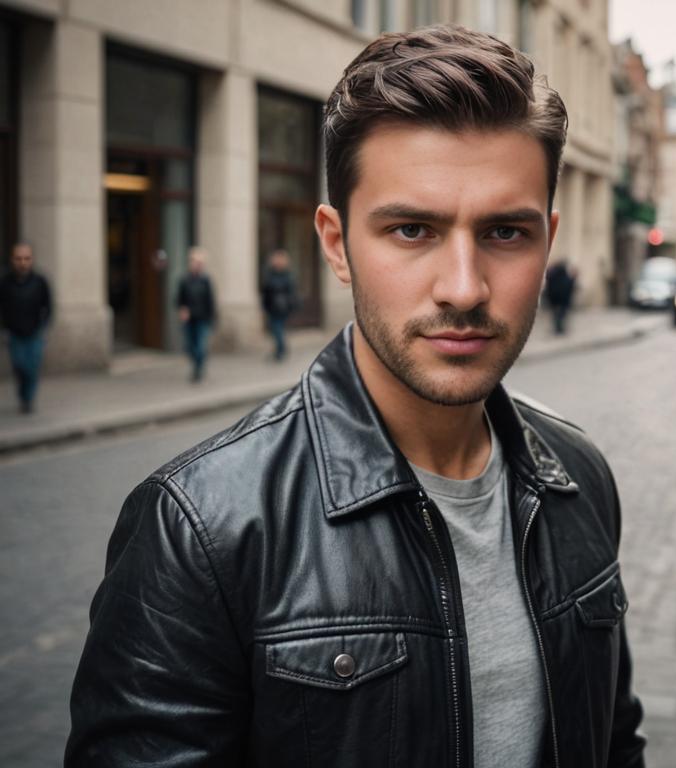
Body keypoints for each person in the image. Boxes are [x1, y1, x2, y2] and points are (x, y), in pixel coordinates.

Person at [67, 25, 645, 768]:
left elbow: (613, 743)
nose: (464, 288)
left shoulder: (580, 479)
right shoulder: (202, 530)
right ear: (337, 244)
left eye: (505, 232)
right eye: (412, 229)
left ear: (548, 240)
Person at [0, 242, 52, 413]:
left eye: (26, 258)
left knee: (32, 368)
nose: (22, 262)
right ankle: (24, 395)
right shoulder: (5, 282)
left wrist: (44, 327)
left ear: (31, 260)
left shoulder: (40, 282)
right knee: (20, 366)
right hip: (14, 334)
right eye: (18, 258)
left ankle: (27, 399)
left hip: (35, 332)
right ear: (12, 259)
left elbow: (48, 306)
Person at [176, 247, 216, 381]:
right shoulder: (184, 280)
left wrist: (212, 318)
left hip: (202, 318)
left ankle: (198, 369)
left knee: (200, 345)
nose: (196, 265)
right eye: (194, 261)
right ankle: (197, 364)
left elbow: (210, 301)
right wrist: (182, 309)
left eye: (199, 262)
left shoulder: (206, 280)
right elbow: (179, 299)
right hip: (189, 318)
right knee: (189, 346)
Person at [260, 248, 298, 360]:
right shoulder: (270, 273)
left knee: (277, 328)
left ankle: (280, 350)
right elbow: (266, 291)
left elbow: (290, 291)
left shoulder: (286, 275)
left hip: (281, 307)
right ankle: (280, 349)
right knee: (277, 328)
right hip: (272, 306)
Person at [545, 258, 577, 335]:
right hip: (563, 299)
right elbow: (569, 286)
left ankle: (558, 327)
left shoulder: (552, 275)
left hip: (554, 298)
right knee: (561, 314)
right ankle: (559, 328)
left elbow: (548, 286)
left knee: (556, 314)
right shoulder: (564, 276)